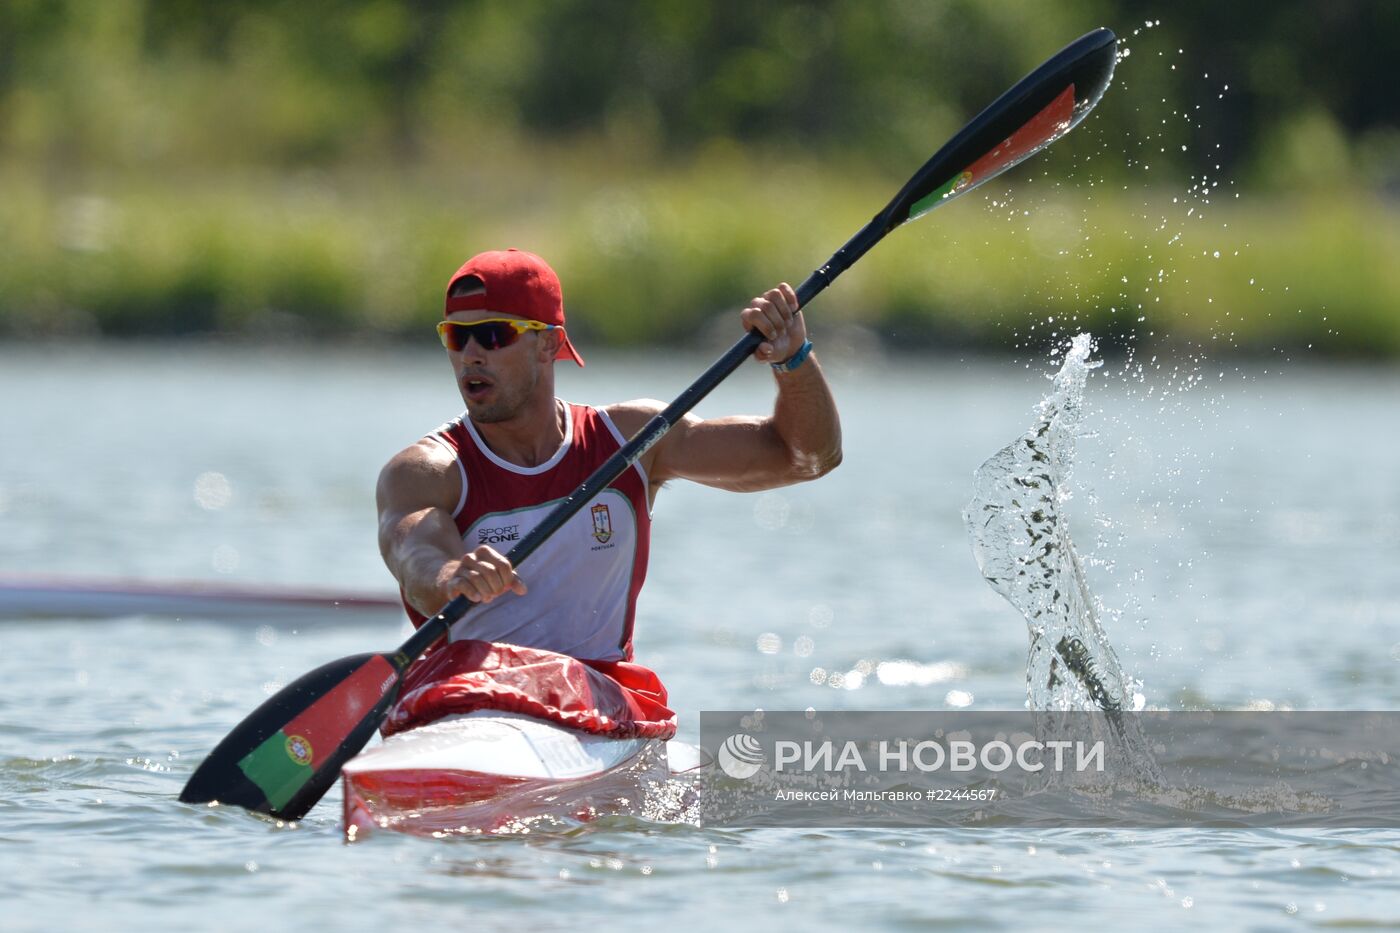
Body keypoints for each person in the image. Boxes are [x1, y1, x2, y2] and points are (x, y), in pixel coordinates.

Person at [376, 248, 842, 669]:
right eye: (457, 337)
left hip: (595, 699)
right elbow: (414, 553)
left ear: (548, 344)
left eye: (493, 335)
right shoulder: (426, 471)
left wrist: (793, 360)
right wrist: (451, 573)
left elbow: (806, 458)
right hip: (466, 693)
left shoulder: (633, 441)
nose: (471, 355)